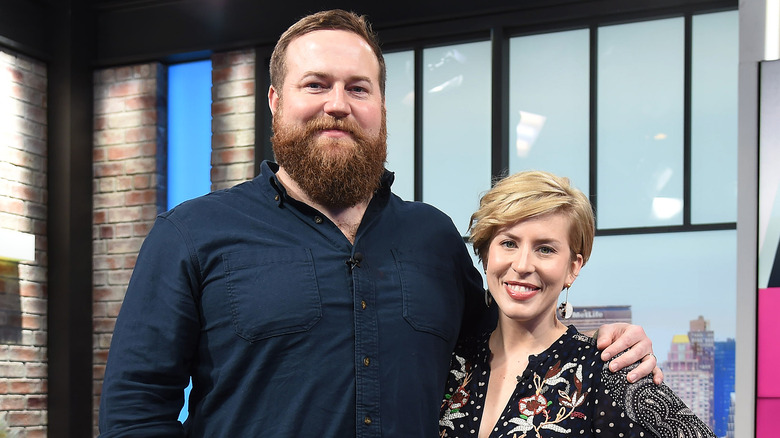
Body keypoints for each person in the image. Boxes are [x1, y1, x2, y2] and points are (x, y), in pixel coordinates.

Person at [98, 10, 660, 438]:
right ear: (275, 101)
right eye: (315, 84)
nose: (337, 104)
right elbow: (133, 412)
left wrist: (608, 346)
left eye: (357, 88)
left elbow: (505, 339)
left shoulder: (434, 239)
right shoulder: (191, 235)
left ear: (381, 107)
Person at [439, 170, 714, 438]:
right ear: (487, 255)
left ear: (573, 267)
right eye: (509, 243)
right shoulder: (449, 361)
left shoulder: (606, 370)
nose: (522, 265)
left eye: (545, 249)